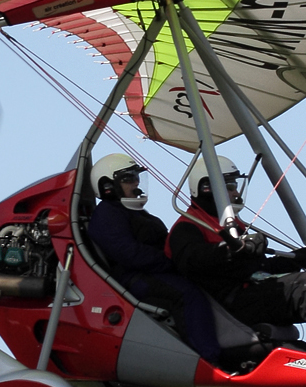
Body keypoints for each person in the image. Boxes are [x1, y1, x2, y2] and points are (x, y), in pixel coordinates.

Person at [166, 157, 306, 358]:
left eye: (235, 186)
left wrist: (297, 259)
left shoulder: (230, 225)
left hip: (253, 292)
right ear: (207, 189)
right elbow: (192, 262)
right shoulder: (188, 227)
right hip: (227, 307)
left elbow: (259, 267)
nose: (235, 193)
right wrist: (231, 249)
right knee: (301, 285)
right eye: (230, 187)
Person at [85, 153, 220, 363]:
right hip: (135, 277)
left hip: (154, 271)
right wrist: (171, 260)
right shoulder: (107, 215)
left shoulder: (136, 212)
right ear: (108, 186)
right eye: (128, 178)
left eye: (137, 178)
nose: (136, 183)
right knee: (188, 295)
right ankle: (209, 359)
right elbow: (128, 254)